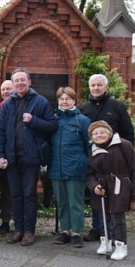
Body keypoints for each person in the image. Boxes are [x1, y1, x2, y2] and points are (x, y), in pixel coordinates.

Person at [0, 68, 58, 246]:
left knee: (29, 194)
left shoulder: (40, 102)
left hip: (31, 157)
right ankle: (18, 229)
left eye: (23, 80)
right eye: (17, 81)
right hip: (12, 158)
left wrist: (34, 120)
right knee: (15, 195)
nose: (20, 83)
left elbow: (52, 125)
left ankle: (29, 231)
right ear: (13, 84)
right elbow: (0, 131)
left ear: (29, 82)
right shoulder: (8, 104)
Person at [81, 73, 135, 242]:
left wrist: (126, 155)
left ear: (106, 87)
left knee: (113, 196)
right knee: (96, 192)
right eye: (93, 85)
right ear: (89, 87)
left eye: (99, 85)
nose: (96, 88)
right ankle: (97, 229)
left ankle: (113, 231)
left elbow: (128, 132)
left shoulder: (117, 106)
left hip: (115, 161)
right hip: (94, 159)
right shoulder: (84, 108)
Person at [86, 121, 135, 260]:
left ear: (110, 132)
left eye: (102, 131)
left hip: (120, 185)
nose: (99, 135)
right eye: (95, 133)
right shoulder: (92, 149)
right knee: (103, 215)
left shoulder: (124, 145)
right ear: (91, 136)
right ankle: (106, 242)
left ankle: (121, 246)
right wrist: (94, 186)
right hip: (102, 186)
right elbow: (89, 173)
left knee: (117, 216)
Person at [49, 87, 91, 248]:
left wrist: (86, 164)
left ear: (74, 100)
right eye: (61, 99)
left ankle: (77, 232)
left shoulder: (83, 121)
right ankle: (65, 230)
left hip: (75, 168)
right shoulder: (54, 119)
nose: (64, 102)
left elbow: (90, 146)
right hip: (56, 168)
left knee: (75, 202)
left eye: (68, 99)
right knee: (62, 202)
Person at [0, 79, 14, 234]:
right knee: (6, 191)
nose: (6, 91)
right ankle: (6, 221)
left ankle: (23, 223)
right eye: (4, 89)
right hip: (4, 156)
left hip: (20, 155)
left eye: (9, 88)